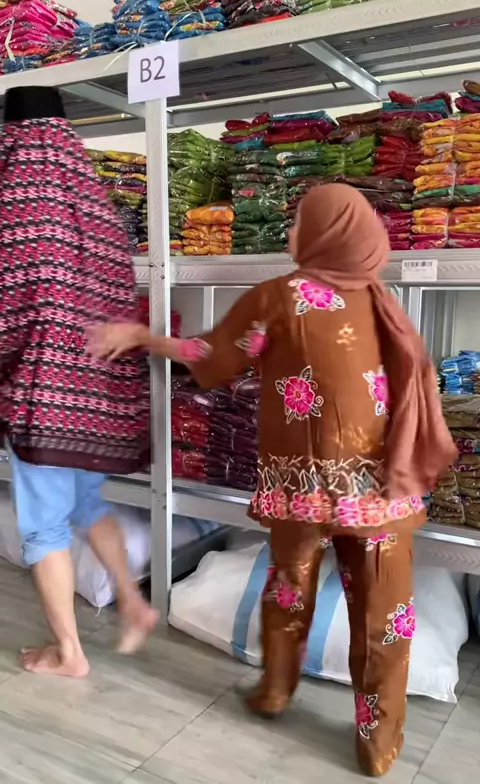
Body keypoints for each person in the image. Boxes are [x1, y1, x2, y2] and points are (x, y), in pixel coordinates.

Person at [88, 184, 456, 777]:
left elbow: (209, 354)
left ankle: (276, 690)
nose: (289, 233)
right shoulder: (384, 302)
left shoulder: (282, 297)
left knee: (288, 590)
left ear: (326, 234)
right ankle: (379, 741)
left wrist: (142, 338)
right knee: (385, 615)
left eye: (299, 222)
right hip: (382, 493)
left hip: (304, 488)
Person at [0, 86, 157, 678]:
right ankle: (134, 602)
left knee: (43, 524)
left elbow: (10, 301)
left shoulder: (17, 201)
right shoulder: (96, 204)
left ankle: (68, 653)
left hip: (44, 390)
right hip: (99, 391)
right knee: (89, 502)